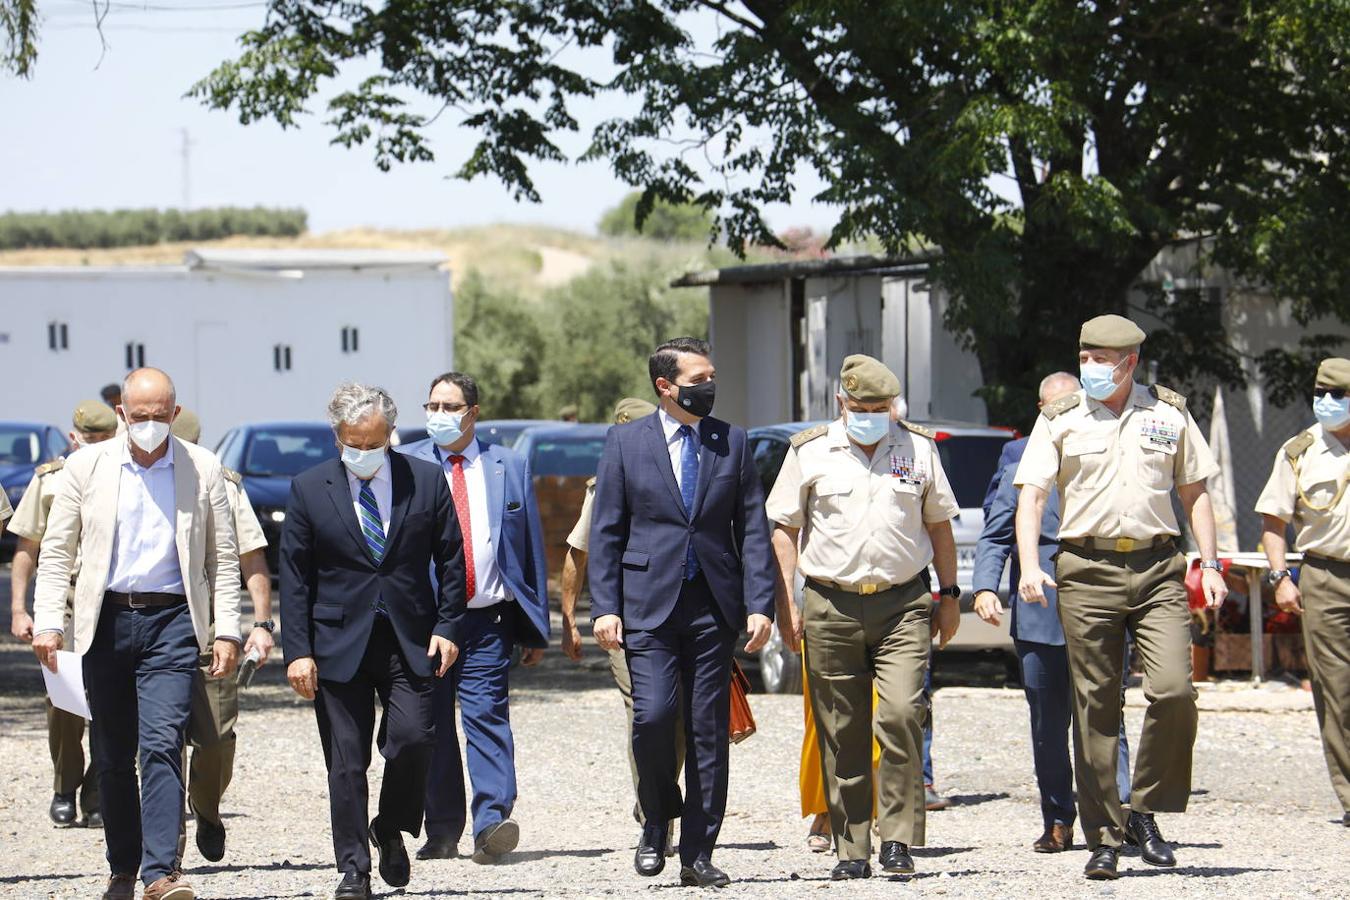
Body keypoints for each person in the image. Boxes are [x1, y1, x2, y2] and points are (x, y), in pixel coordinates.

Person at [1014, 315, 1228, 880]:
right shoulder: (1061, 417)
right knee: (1097, 707)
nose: (1090, 368)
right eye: (1084, 356)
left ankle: (1145, 807)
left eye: (1101, 359)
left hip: (1159, 565)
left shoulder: (1169, 413)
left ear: (1130, 362)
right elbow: (1032, 496)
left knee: (1174, 691)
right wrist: (1031, 564)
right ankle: (1105, 836)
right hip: (1086, 568)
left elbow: (1195, 493)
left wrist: (1210, 563)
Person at [31, 368, 242, 900]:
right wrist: (51, 623)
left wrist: (228, 631)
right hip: (104, 622)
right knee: (112, 751)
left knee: (163, 745)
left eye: (158, 416)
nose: (149, 426)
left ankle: (161, 872)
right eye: (138, 416)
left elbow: (223, 558)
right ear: (122, 414)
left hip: (172, 622)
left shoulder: (203, 468)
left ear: (174, 413)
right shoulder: (85, 467)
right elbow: (57, 553)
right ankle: (123, 867)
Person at [589, 336, 776, 887]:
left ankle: (697, 852)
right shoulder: (626, 442)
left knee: (707, 731)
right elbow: (607, 531)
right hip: (647, 606)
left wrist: (759, 603)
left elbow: (754, 531)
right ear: (665, 387)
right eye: (698, 379)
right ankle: (656, 819)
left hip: (712, 609)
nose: (709, 387)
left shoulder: (731, 442)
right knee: (651, 717)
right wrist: (604, 607)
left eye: (711, 376)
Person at [767, 354, 961, 881]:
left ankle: (897, 838)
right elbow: (784, 527)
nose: (872, 415)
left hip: (903, 604)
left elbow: (939, 525)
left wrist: (950, 595)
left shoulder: (918, 448)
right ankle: (851, 847)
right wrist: (786, 600)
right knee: (841, 729)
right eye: (862, 406)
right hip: (830, 603)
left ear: (894, 406)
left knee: (901, 715)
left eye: (881, 407)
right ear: (841, 403)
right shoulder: (810, 451)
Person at [280, 382, 464, 900]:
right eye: (353, 443)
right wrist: (298, 651)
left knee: (413, 739)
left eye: (374, 443)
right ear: (337, 436)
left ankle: (389, 825)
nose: (364, 453)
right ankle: (354, 868)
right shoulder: (310, 488)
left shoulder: (424, 481)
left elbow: (452, 560)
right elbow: (294, 578)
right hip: (337, 642)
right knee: (346, 760)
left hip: (411, 637)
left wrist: (448, 626)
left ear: (391, 434)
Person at [973, 372, 1133, 853]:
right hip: (1042, 606)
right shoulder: (1019, 456)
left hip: (1105, 600)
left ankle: (1116, 814)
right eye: (1054, 407)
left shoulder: (1112, 443)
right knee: (1048, 721)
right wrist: (985, 585)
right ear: (1040, 410)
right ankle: (1059, 818)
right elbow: (998, 528)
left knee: (1108, 715)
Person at [397, 372, 550, 864]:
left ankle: (491, 823)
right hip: (426, 625)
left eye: (449, 405)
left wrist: (534, 626)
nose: (438, 415)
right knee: (432, 724)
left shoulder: (508, 465)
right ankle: (442, 830)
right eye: (432, 405)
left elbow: (528, 549)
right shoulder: (407, 465)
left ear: (473, 412)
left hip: (488, 620)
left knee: (486, 716)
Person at [559, 397, 684, 837]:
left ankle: (656, 792)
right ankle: (656, 810)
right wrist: (570, 617)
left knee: (677, 716)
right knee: (646, 712)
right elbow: (580, 551)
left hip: (676, 612)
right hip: (626, 617)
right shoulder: (604, 485)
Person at [168, 409, 276, 864]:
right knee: (158, 741)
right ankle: (164, 846)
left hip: (214, 630)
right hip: (152, 627)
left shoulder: (223, 485)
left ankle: (206, 809)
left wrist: (262, 623)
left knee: (215, 737)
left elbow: (252, 559)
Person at [9, 399, 118, 829]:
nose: (96, 448)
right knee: (66, 705)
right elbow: (27, 549)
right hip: (68, 605)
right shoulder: (51, 481)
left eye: (105, 441)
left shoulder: (126, 474)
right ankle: (64, 786)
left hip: (112, 602)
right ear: (74, 439)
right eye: (90, 441)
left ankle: (96, 792)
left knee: (113, 704)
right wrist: (20, 609)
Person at [1255, 357, 1350, 828]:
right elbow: (1273, 522)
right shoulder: (1299, 450)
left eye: (1339, 395)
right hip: (1325, 577)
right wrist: (1280, 577)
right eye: (1321, 393)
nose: (1328, 403)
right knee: (1338, 690)